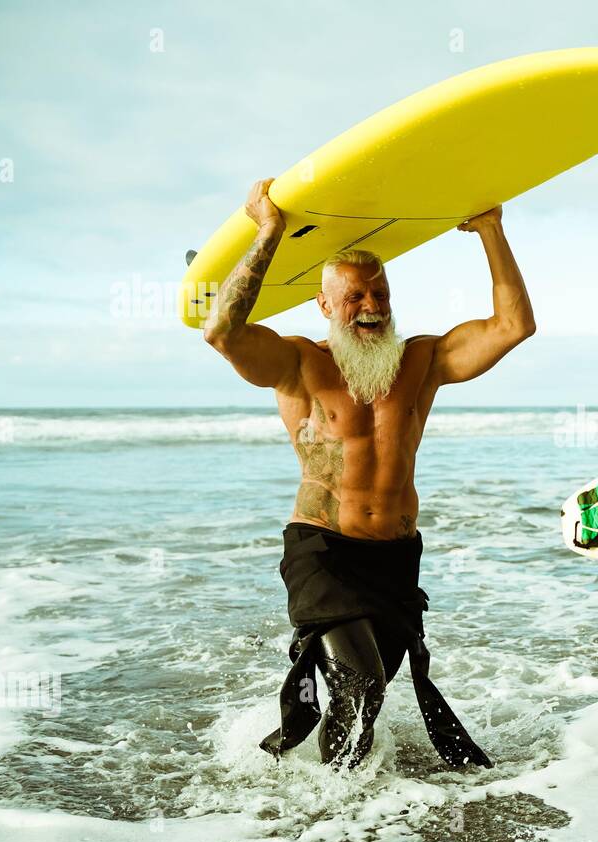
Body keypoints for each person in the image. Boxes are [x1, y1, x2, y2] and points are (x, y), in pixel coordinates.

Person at [204, 178, 535, 769]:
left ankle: (330, 797)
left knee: (365, 697)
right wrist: (269, 232)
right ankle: (342, 813)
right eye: (354, 297)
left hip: (395, 559)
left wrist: (491, 229)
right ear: (325, 306)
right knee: (362, 684)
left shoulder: (422, 360)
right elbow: (222, 333)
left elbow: (514, 326)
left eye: (379, 292)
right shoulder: (299, 363)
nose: (372, 306)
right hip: (324, 550)